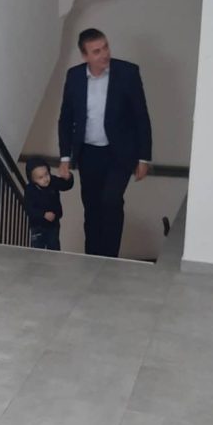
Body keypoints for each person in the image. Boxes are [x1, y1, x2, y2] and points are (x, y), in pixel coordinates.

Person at [58, 28, 152, 257]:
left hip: (119, 153)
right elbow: (66, 118)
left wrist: (144, 157)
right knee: (91, 207)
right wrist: (65, 157)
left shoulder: (127, 72)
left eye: (106, 47)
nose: (104, 54)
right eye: (96, 51)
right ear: (85, 56)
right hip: (88, 153)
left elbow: (141, 116)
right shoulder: (74, 76)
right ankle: (93, 257)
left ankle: (110, 259)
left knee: (111, 201)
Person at [24, 157, 74, 251]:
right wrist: (43, 214)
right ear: (33, 179)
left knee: (54, 247)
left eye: (46, 174)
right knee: (37, 249)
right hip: (37, 225)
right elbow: (29, 208)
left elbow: (66, 185)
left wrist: (68, 177)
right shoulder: (30, 190)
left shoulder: (53, 181)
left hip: (53, 224)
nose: (45, 179)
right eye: (40, 177)